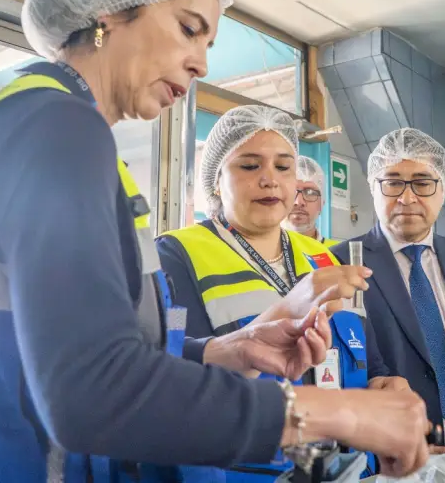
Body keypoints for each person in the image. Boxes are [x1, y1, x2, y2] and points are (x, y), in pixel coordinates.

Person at [0, 0, 432, 482]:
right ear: (111, 11)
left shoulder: (43, 120)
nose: (201, 64)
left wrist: (223, 350)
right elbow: (90, 392)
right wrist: (340, 414)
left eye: (208, 45)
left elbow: (67, 344)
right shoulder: (58, 128)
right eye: (189, 29)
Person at [157, 105, 411, 480]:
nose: (270, 180)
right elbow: (177, 373)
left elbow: (369, 361)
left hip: (350, 469)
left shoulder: (322, 256)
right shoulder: (178, 254)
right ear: (215, 180)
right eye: (249, 165)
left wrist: (382, 385)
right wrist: (288, 307)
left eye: (283, 167)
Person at [331, 128, 445, 453]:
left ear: (442, 190)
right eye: (393, 183)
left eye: (422, 183)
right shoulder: (339, 263)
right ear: (374, 187)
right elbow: (338, 377)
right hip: (392, 457)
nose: (407, 198)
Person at [284, 155, 339, 246]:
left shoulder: (337, 252)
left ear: (321, 204)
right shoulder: (261, 250)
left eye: (310, 192)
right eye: (291, 191)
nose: (299, 202)